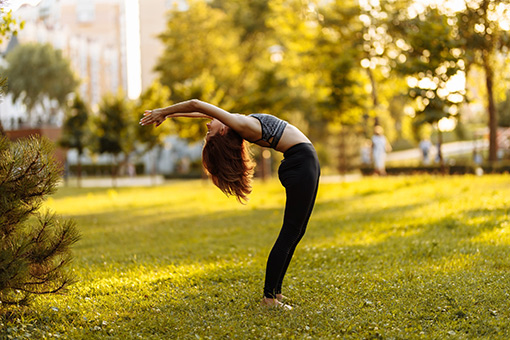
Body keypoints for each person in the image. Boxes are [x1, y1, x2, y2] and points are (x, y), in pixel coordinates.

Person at [139, 99, 320, 310]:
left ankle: (276, 293)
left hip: (303, 161)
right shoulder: (241, 125)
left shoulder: (235, 123)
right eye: (210, 132)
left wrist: (167, 114)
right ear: (224, 131)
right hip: (301, 163)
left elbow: (200, 111)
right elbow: (197, 104)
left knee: (296, 232)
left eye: (208, 131)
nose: (207, 126)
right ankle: (269, 299)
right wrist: (164, 111)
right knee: (290, 233)